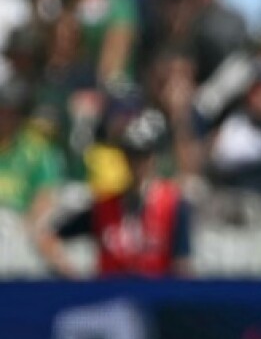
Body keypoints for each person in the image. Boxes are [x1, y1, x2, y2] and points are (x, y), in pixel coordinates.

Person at [36, 106, 192, 278]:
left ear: (153, 158)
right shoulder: (103, 208)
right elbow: (48, 237)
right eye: (131, 155)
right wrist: (71, 274)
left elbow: (182, 265)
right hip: (111, 298)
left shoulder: (173, 204)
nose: (136, 163)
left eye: (143, 155)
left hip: (156, 297)